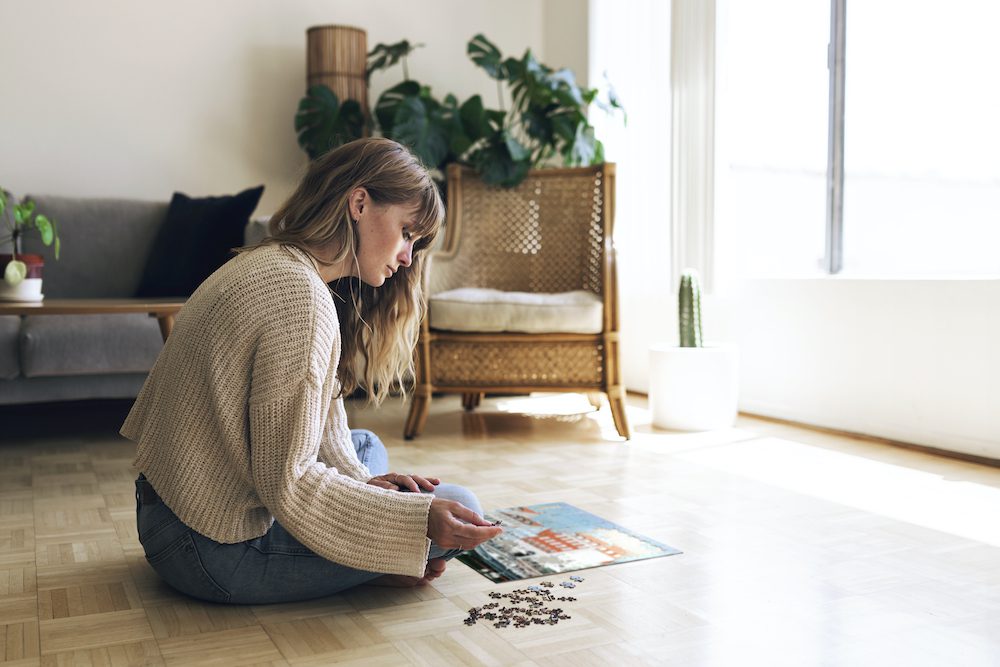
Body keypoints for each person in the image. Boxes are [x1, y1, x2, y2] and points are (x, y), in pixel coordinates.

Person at [120, 138, 502, 604]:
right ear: (360, 202)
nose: (406, 257)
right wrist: (412, 524)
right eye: (406, 232)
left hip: (172, 509)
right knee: (462, 506)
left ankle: (369, 557)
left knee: (364, 448)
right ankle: (375, 565)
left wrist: (366, 489)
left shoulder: (277, 264)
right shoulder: (301, 301)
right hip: (209, 546)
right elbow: (290, 483)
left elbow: (314, 431)